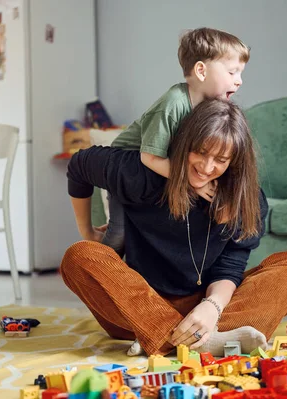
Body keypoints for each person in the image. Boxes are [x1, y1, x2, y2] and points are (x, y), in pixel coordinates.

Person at [62, 99, 287, 357]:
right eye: (200, 152)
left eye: (220, 160)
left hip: (207, 310)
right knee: (79, 256)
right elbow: (79, 166)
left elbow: (229, 268)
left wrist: (212, 307)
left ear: (235, 161)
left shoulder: (246, 199)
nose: (207, 168)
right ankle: (202, 340)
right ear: (183, 143)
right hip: (138, 307)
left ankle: (172, 337)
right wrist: (87, 231)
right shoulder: (140, 173)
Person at [101, 27, 250, 257]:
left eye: (240, 74)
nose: (239, 81)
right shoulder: (174, 104)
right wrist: (195, 182)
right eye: (233, 72)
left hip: (157, 165)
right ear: (201, 70)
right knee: (119, 234)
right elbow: (149, 157)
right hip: (130, 163)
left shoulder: (206, 109)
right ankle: (95, 270)